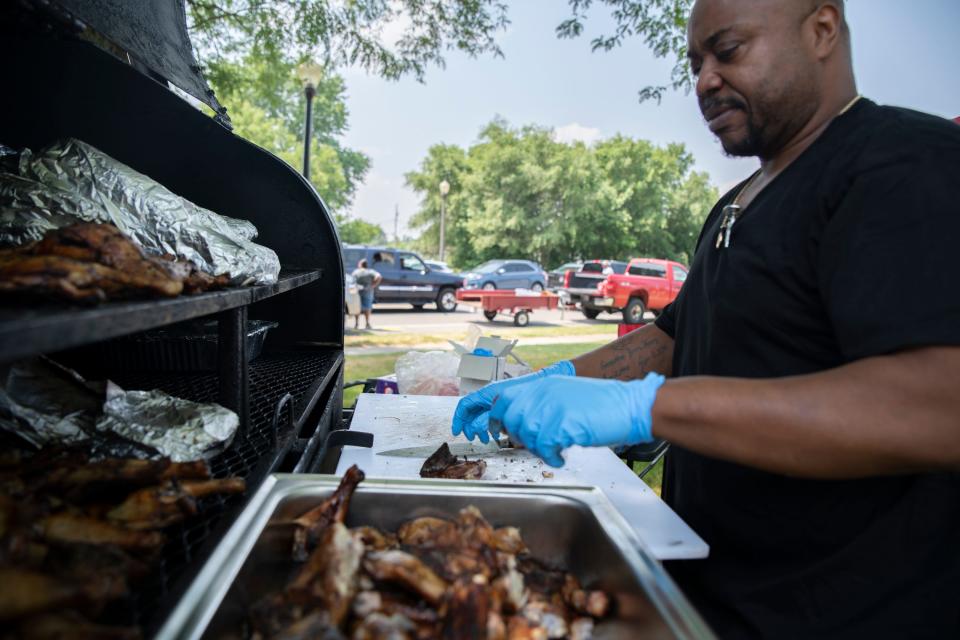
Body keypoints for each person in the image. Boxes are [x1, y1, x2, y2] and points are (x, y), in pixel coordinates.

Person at [451, 0, 960, 637]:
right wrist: (545, 377)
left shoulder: (905, 164)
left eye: (729, 50)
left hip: (841, 612)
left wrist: (649, 411)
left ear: (822, 29)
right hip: (709, 593)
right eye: (695, 62)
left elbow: (938, 406)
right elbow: (673, 337)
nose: (704, 80)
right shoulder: (737, 202)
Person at [351, 258, 381, 330]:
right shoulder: (370, 271)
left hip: (357, 291)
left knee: (357, 307)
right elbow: (379, 276)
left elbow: (352, 281)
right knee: (367, 307)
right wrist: (373, 285)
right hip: (368, 291)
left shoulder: (356, 272)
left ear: (360, 265)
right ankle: (367, 323)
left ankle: (356, 324)